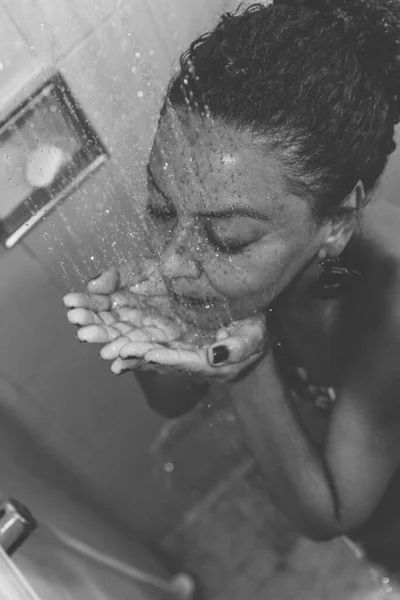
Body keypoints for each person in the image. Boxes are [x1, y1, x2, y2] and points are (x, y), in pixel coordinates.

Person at [64, 0, 400, 577]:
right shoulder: (200, 243)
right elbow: (173, 399)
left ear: (338, 221)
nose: (172, 263)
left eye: (227, 237)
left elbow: (332, 510)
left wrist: (243, 366)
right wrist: (170, 336)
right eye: (160, 208)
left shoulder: (389, 298)